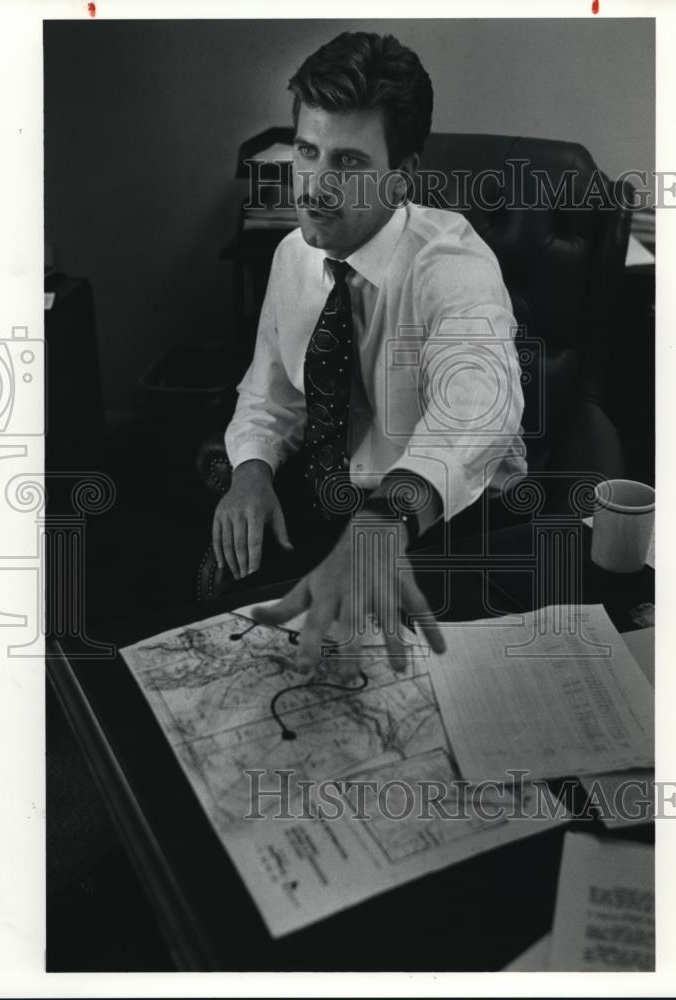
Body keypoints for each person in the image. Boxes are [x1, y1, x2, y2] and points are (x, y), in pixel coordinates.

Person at [213, 31, 526, 673]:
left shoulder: (454, 266)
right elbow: (270, 391)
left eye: (349, 163)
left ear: (403, 175)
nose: (316, 187)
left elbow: (480, 406)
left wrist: (384, 521)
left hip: (447, 523)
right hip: (333, 505)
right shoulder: (293, 256)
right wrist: (250, 470)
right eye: (308, 151)